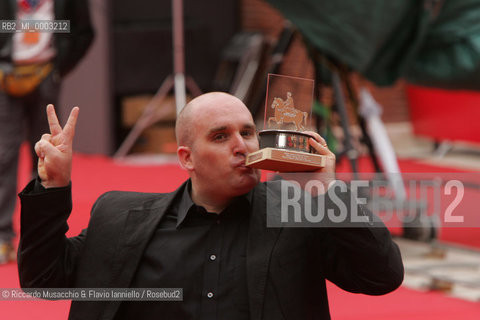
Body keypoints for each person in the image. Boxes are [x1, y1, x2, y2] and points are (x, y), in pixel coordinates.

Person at [18, 92, 404, 320]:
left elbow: (381, 277)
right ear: (187, 158)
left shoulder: (300, 213)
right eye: (221, 136)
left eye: (248, 133)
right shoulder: (120, 218)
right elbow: (42, 282)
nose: (242, 146)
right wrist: (54, 184)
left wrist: (326, 190)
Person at [0, 0, 94, 264]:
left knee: (45, 156)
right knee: (3, 156)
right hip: (5, 78)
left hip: (45, 76)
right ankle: (2, 237)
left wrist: (59, 68)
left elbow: (84, 32)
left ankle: (39, 238)